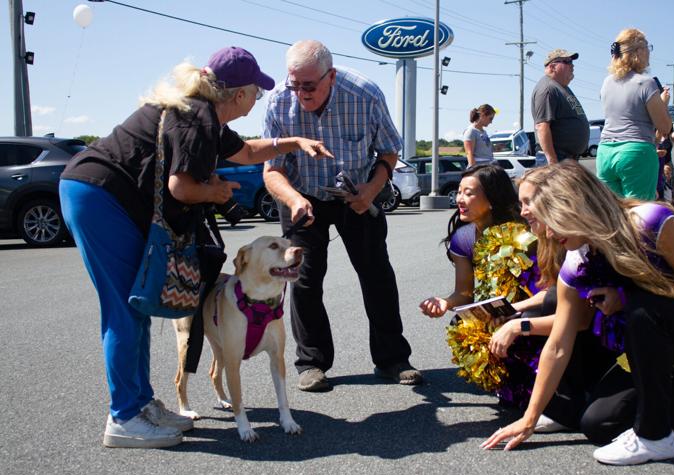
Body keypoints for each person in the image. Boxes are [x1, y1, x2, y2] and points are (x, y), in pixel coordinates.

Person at [59, 47, 330, 448]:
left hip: (105, 199)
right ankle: (125, 416)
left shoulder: (207, 116)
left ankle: (142, 403)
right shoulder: (196, 118)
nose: (258, 99)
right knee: (124, 308)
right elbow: (182, 187)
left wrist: (294, 142)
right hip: (99, 198)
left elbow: (247, 152)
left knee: (138, 308)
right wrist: (217, 192)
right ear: (238, 94)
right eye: (256, 91)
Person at [481, 161, 674, 465]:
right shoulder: (576, 257)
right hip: (655, 342)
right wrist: (528, 419)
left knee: (642, 308)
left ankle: (656, 435)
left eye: (553, 220)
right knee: (598, 424)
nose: (550, 233)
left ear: (579, 207)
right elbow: (558, 344)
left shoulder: (650, 221)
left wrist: (627, 296)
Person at [262, 40, 422, 392]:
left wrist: (371, 189)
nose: (301, 93)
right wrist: (292, 200)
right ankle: (312, 363)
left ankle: (392, 358)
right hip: (302, 195)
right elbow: (272, 171)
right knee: (304, 279)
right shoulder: (279, 102)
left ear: (330, 76)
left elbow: (389, 151)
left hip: (357, 192)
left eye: (309, 85)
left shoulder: (364, 93)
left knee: (376, 273)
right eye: (295, 84)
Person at [419, 165, 553, 408]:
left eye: (469, 193)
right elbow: (464, 293)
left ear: (491, 199)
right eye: (459, 192)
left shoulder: (525, 236)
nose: (460, 198)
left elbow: (552, 294)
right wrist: (445, 303)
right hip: (500, 310)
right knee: (461, 323)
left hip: (533, 310)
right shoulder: (463, 238)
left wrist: (511, 310)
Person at [596, 28, 672, 200]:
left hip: (606, 152)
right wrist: (663, 103)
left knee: (613, 213)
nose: (648, 53)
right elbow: (664, 127)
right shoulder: (645, 83)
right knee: (639, 214)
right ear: (638, 52)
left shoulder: (607, 82)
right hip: (635, 151)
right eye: (647, 47)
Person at [531, 49, 589, 165]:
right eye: (567, 62)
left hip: (566, 158)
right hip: (556, 159)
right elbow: (542, 126)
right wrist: (553, 162)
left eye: (572, 62)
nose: (572, 65)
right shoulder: (548, 89)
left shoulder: (561, 87)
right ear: (552, 67)